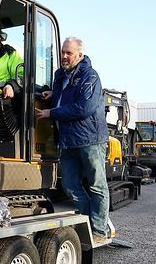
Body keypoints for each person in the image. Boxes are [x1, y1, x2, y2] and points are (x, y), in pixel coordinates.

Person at [36, 36, 110, 244]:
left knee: (97, 185)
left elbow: (83, 108)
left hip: (90, 140)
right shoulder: (62, 77)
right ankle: (87, 222)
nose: (64, 56)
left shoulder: (90, 76)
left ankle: (99, 231)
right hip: (68, 141)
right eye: (63, 52)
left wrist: (52, 113)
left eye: (69, 53)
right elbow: (65, 98)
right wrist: (54, 93)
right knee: (69, 185)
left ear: (80, 54)